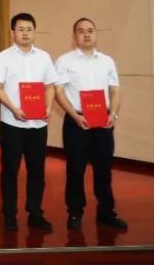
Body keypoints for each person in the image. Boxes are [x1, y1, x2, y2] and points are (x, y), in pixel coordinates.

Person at [54, 17, 128, 231]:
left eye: (90, 30)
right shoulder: (64, 61)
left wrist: (113, 115)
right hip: (76, 121)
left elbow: (115, 90)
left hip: (103, 122)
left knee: (104, 169)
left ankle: (106, 211)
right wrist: (75, 116)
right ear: (74, 36)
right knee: (75, 170)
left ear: (96, 34)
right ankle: (75, 212)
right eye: (81, 31)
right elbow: (59, 92)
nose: (86, 34)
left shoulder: (107, 61)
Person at [0, 13, 57, 232]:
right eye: (21, 29)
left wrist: (48, 107)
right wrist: (14, 108)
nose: (25, 33)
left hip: (38, 124)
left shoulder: (44, 57)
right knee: (10, 170)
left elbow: (50, 86)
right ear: (13, 33)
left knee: (37, 170)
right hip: (12, 123)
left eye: (29, 29)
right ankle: (10, 214)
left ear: (34, 32)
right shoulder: (2, 58)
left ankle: (35, 213)